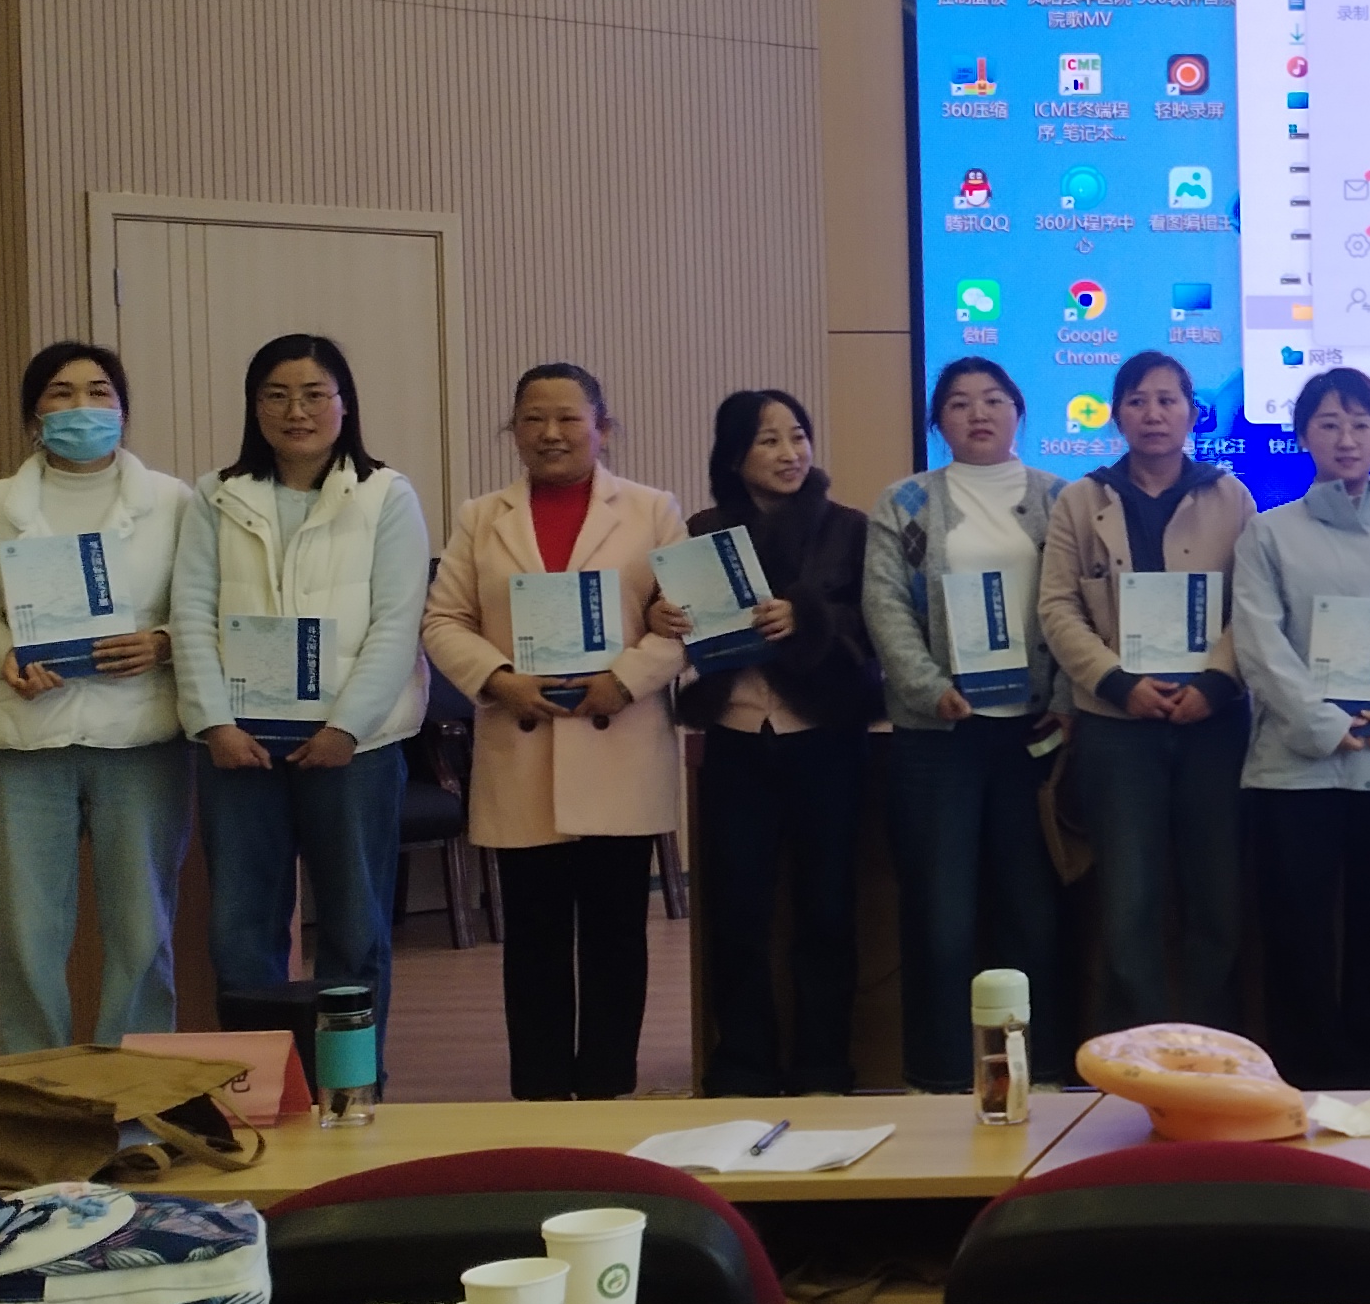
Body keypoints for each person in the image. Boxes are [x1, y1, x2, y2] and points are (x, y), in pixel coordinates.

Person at [422, 364, 688, 1100]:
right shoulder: (482, 517)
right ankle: (538, 1093)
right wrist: (499, 679)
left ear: (602, 427)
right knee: (533, 938)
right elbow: (444, 620)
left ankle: (606, 1087)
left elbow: (686, 620)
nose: (550, 433)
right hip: (522, 742)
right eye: (533, 419)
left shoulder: (652, 510)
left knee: (615, 934)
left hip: (619, 741)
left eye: (569, 418)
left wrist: (624, 679)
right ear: (513, 431)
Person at [171, 335, 429, 1044]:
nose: (297, 412)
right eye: (277, 396)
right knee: (241, 929)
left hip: (354, 747)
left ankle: (352, 1085)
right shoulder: (215, 495)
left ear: (345, 405)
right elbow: (189, 615)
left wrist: (347, 727)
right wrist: (215, 724)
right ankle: (264, 1085)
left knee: (355, 928)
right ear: (254, 408)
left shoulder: (386, 495)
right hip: (239, 746)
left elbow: (396, 622)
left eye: (315, 394)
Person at [0, 342, 193, 1052]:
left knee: (142, 927)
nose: (81, 407)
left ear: (123, 410)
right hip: (25, 738)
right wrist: (4, 657)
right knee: (27, 931)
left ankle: (134, 1080)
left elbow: (204, 606)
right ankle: (38, 1081)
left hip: (138, 735)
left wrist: (162, 642)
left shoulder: (173, 502)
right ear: (34, 415)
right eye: (61, 393)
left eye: (98, 391)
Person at [1230, 367, 1370, 1090]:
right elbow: (1259, 642)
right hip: (1296, 769)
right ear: (1302, 436)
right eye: (1328, 423)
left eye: (1361, 423)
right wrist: (1325, 725)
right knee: (1297, 933)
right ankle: (1302, 1080)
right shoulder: (1268, 532)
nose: (1346, 438)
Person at [657, 389, 878, 1096]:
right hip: (736, 740)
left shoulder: (848, 528)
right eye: (768, 440)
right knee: (737, 911)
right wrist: (663, 615)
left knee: (827, 911)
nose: (790, 453)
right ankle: (743, 1063)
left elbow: (876, 622)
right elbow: (679, 624)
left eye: (798, 435)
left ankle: (823, 1065)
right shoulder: (704, 531)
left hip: (826, 739)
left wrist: (808, 616)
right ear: (733, 456)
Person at [861, 358, 1071, 1092]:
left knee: (1032, 911)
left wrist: (1065, 698)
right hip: (938, 737)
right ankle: (939, 1075)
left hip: (1031, 733)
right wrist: (928, 689)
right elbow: (885, 604)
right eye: (958, 403)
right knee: (941, 915)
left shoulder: (1062, 499)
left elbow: (1079, 605)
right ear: (938, 421)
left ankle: (1040, 1068)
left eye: (992, 400)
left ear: (1018, 410)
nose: (977, 413)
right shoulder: (907, 502)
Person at [1041, 352, 1258, 1035]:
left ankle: (1213, 1051)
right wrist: (1116, 683)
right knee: (1127, 902)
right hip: (1116, 726)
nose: (1154, 414)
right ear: (1117, 415)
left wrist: (1216, 685)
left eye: (1168, 400)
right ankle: (1131, 1054)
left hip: (1212, 724)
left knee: (1216, 899)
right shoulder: (1081, 500)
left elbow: (1253, 606)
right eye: (1137, 400)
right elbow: (1057, 608)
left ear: (1192, 412)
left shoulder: (1231, 497)